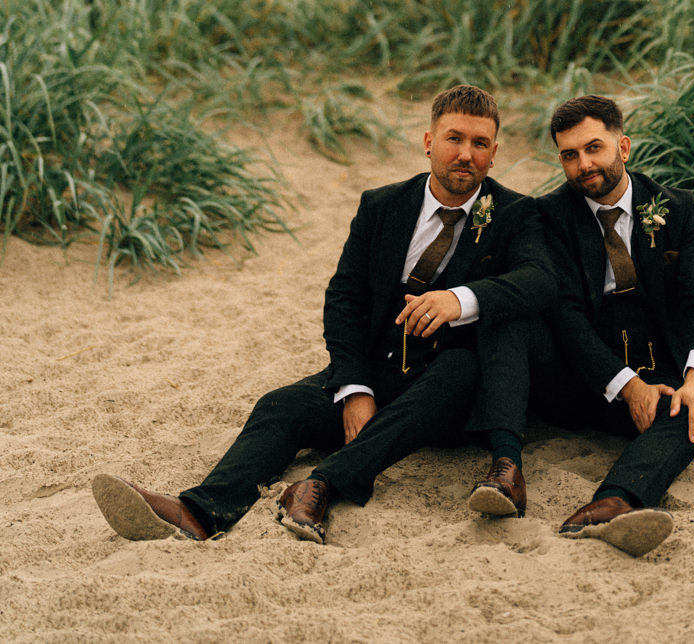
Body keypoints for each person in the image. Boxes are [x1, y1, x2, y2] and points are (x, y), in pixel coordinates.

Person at [91, 84, 554, 545]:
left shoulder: (516, 213)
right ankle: (200, 511)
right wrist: (355, 387)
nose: (465, 154)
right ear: (429, 141)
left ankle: (319, 484)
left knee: (460, 368)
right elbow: (345, 299)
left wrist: (462, 299)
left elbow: (540, 279)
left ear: (494, 153)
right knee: (282, 404)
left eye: (479, 144)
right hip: (381, 372)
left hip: (450, 390)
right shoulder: (382, 205)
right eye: (454, 139)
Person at [533, 94, 694, 557]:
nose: (584, 164)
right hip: (586, 377)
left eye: (594, 148)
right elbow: (566, 317)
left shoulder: (675, 209)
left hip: (659, 365)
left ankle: (615, 501)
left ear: (623, 147)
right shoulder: (551, 216)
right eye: (570, 155)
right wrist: (627, 386)